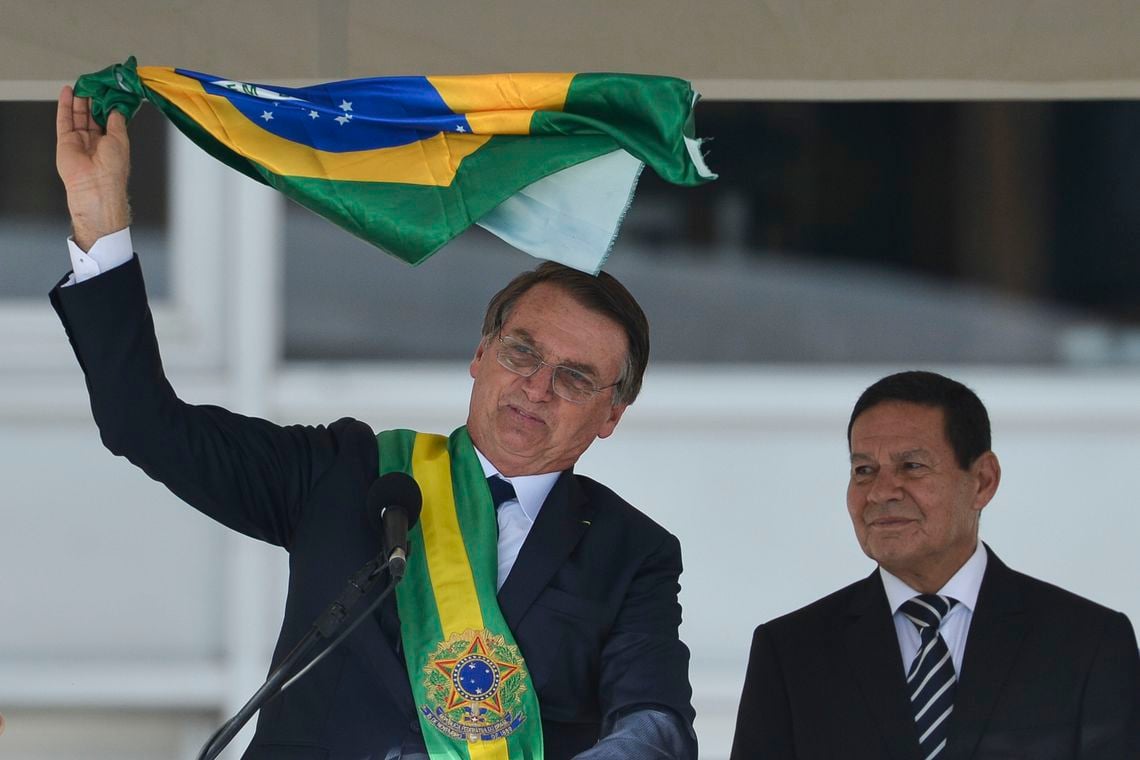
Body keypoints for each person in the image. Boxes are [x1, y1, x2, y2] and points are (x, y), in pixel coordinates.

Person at [52, 85, 696, 760]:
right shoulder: (349, 472)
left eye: (574, 377)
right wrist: (100, 217)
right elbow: (143, 424)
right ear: (481, 354)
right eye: (523, 352)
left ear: (611, 414)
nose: (537, 386)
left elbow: (655, 730)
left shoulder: (632, 553)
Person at [730, 370, 1140, 760]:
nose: (880, 492)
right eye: (864, 470)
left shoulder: (1089, 644)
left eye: (911, 466)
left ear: (982, 480)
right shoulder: (791, 653)